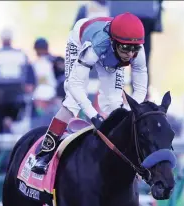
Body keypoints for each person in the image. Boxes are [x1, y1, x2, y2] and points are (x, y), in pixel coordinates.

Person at [31, 12, 148, 174]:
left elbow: (141, 89)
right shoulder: (96, 46)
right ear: (114, 42)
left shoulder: (137, 51)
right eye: (126, 48)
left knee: (114, 105)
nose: (130, 54)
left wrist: (130, 112)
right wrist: (94, 115)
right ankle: (44, 154)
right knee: (72, 102)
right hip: (81, 40)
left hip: (109, 53)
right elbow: (75, 85)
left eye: (134, 48)